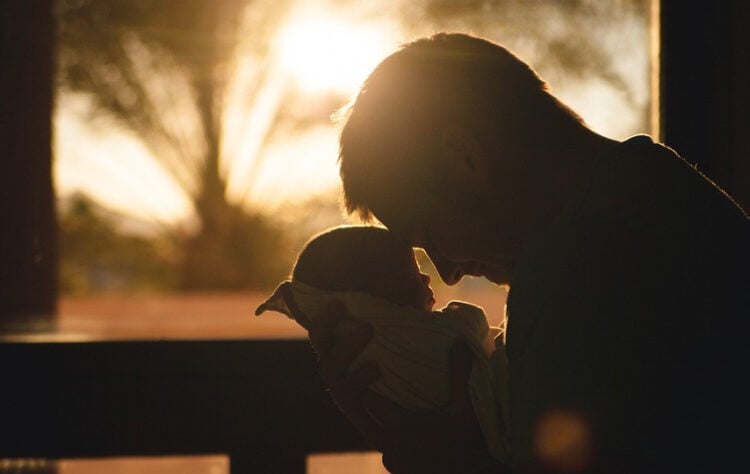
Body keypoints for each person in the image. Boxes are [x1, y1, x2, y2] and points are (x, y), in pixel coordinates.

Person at [307, 32, 750, 473]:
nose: (448, 274)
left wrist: (441, 458)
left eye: (430, 235)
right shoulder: (663, 190)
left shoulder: (572, 272)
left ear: (463, 156)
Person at [255, 225, 511, 466]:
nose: (429, 276)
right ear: (369, 300)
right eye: (410, 270)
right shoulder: (404, 341)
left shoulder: (361, 358)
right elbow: (470, 331)